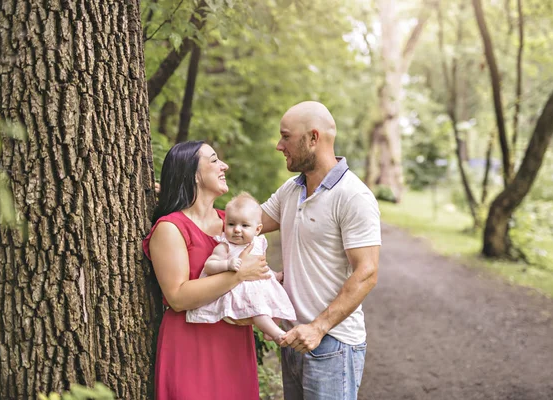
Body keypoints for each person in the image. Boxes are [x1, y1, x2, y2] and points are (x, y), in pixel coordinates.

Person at [261, 101, 381, 400]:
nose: (279, 145)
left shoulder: (353, 196)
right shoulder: (291, 189)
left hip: (332, 344)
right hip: (294, 340)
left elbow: (367, 272)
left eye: (286, 136)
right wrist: (187, 197)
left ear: (313, 138)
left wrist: (318, 327)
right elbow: (245, 225)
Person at [142, 141, 270, 400]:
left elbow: (258, 275)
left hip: (234, 342)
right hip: (192, 344)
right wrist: (238, 274)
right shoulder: (171, 228)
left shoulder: (231, 223)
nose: (224, 165)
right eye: (214, 160)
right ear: (193, 175)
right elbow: (177, 297)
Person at [186, 192, 296, 343]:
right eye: (231, 224)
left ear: (257, 229)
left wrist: (273, 275)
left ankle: (271, 329)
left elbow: (260, 267)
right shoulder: (225, 246)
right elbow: (209, 266)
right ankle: (277, 334)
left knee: (277, 299)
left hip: (257, 287)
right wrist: (227, 264)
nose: (237, 229)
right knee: (259, 310)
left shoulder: (258, 243)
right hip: (240, 292)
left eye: (244, 225)